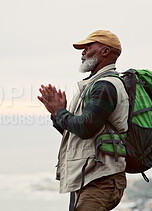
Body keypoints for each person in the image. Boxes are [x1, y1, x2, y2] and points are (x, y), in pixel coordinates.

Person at [38, 30, 129, 210]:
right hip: (89, 177)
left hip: (100, 179)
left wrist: (60, 111)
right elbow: (77, 132)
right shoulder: (96, 84)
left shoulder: (105, 86)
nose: (83, 53)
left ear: (105, 52)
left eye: (88, 47)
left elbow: (86, 128)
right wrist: (58, 115)